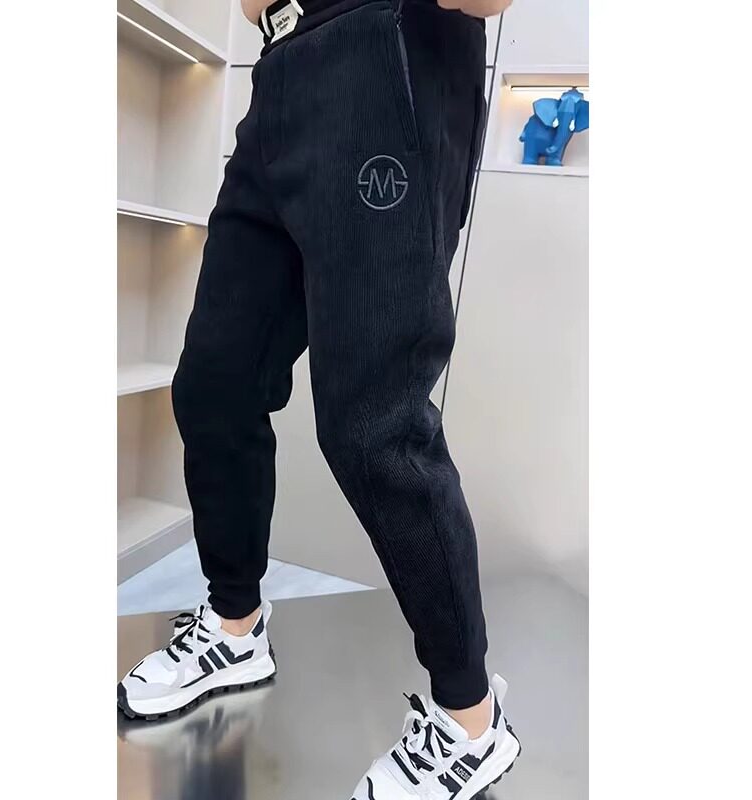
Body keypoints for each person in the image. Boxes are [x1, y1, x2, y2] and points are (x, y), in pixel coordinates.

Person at [117, 0, 520, 796]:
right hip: (281, 71)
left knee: (375, 426)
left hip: (387, 47)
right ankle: (236, 627)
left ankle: (472, 720)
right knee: (215, 386)